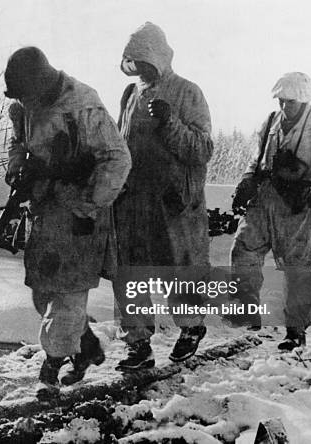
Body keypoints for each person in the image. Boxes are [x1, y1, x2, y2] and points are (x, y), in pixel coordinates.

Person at [3, 47, 132, 399]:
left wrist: (89, 206)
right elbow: (19, 142)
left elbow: (118, 159)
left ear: (41, 82)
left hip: (79, 214)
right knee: (42, 292)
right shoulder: (27, 104)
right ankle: (86, 343)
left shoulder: (83, 104)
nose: (25, 101)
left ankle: (51, 366)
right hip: (45, 211)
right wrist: (19, 167)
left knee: (68, 297)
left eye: (28, 94)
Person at [113, 22, 214, 369]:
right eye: (133, 60)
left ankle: (191, 329)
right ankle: (138, 345)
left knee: (178, 270)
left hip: (174, 203)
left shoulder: (188, 92)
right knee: (130, 274)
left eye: (144, 59)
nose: (139, 67)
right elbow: (120, 145)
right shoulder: (129, 95)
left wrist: (170, 122)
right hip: (134, 201)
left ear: (158, 57)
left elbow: (203, 149)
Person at [230, 72, 311, 350]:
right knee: (243, 248)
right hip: (267, 197)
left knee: (297, 268)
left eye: (291, 102)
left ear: (304, 99)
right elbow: (256, 159)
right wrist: (247, 181)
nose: (285, 107)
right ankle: (248, 312)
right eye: (282, 100)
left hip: (301, 203)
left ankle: (295, 331)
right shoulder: (271, 122)